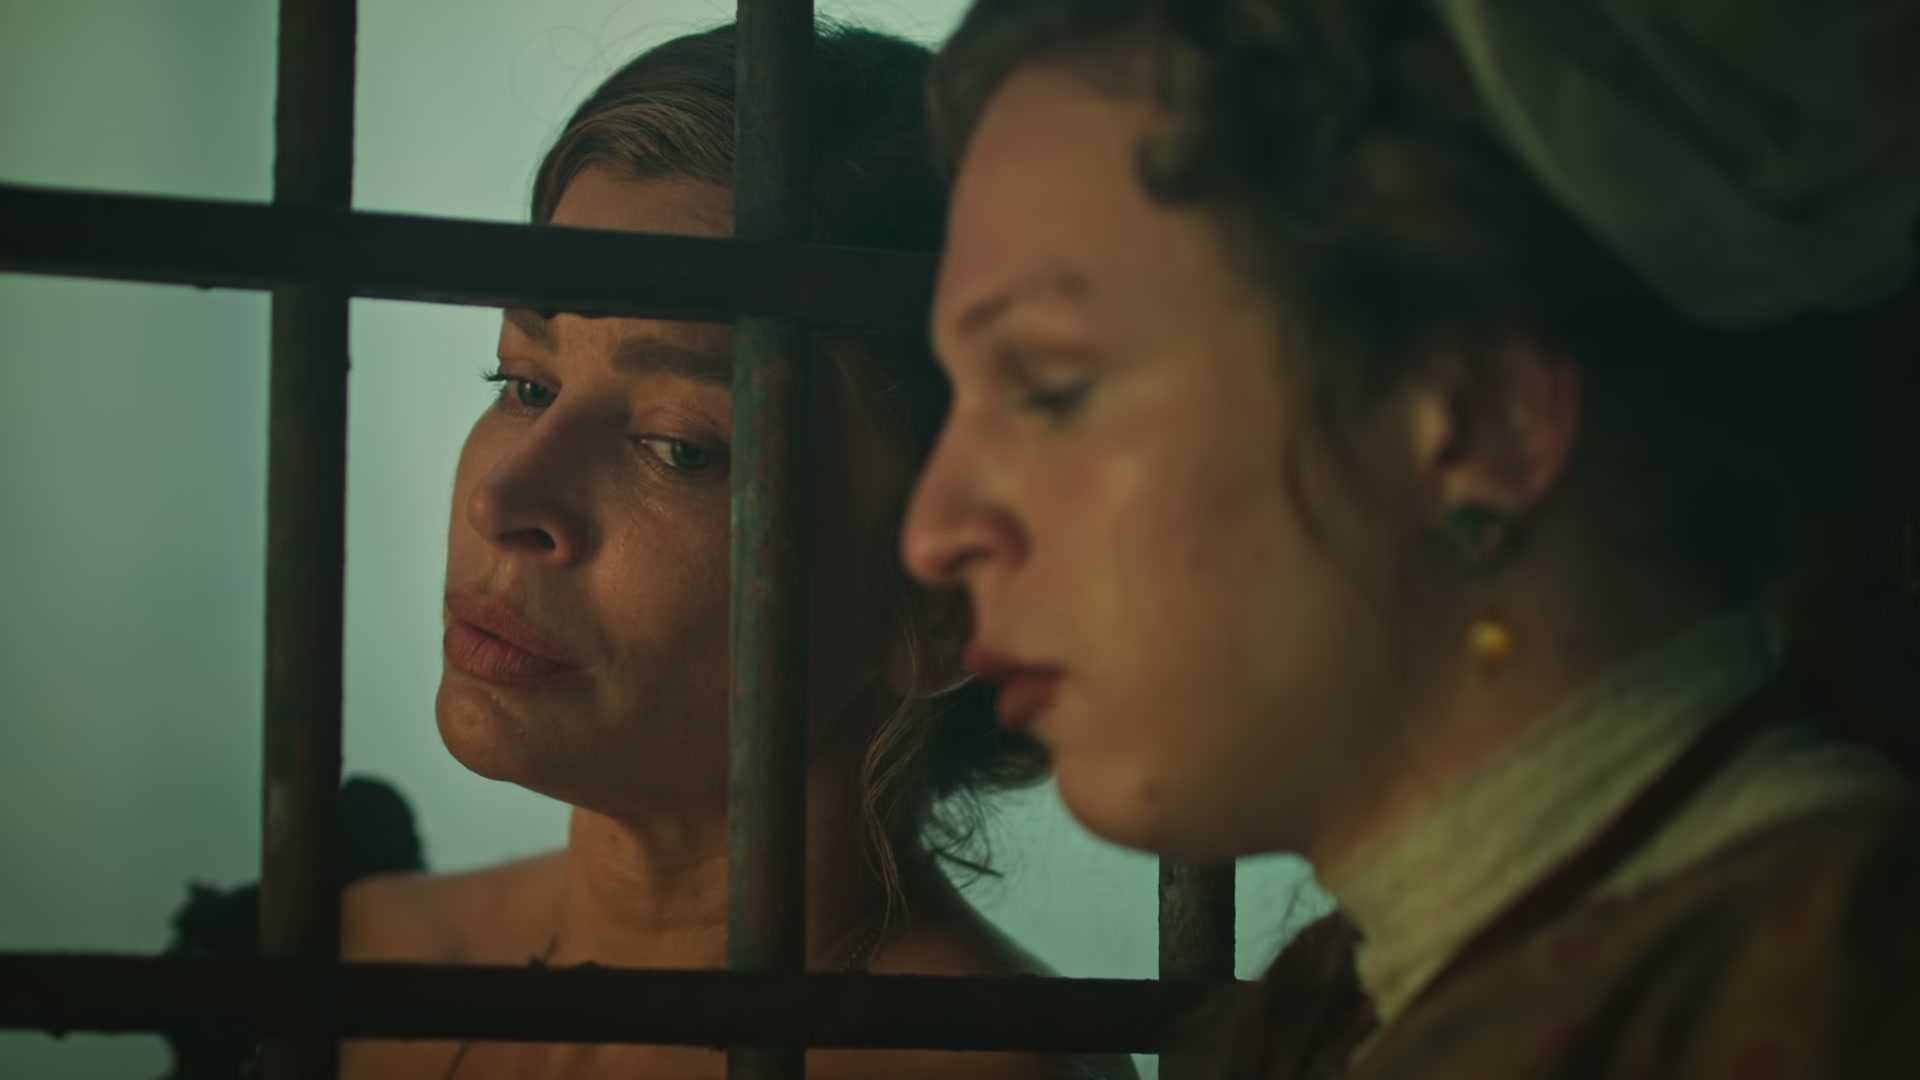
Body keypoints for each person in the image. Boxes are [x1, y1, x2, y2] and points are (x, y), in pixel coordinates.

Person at [904, 0, 1920, 1076]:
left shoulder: (1829, 1007)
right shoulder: (1355, 1006)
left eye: (1051, 388)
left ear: (1482, 421)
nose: (934, 533)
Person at [168, 20, 1134, 1080]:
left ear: (946, 602)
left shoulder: (979, 1070)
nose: (503, 498)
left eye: (678, 446)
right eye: (524, 383)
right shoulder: (329, 964)